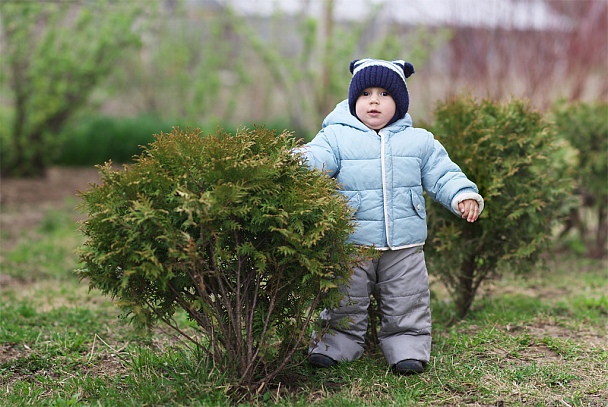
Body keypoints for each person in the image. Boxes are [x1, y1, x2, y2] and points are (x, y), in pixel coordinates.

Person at [296, 58, 484, 375]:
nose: (374, 100)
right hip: (351, 242)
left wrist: (461, 194)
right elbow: (317, 157)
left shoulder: (419, 141)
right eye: (366, 93)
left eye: (384, 93)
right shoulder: (336, 137)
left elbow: (442, 174)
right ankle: (336, 344)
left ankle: (407, 348)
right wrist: (297, 162)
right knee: (345, 299)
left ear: (399, 101)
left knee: (407, 299)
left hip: (405, 244)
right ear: (353, 99)